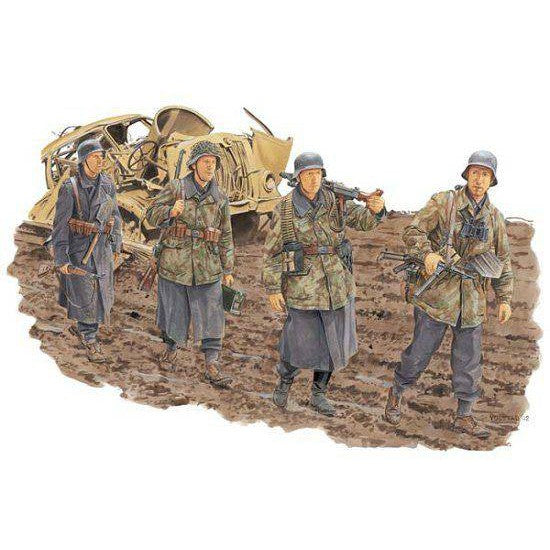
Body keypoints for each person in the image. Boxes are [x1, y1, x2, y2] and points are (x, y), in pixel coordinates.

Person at [384, 150, 513, 438]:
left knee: (469, 362)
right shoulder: (445, 202)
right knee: (419, 353)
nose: (479, 180)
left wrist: (504, 298)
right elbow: (413, 231)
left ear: (492, 180)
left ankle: (464, 416)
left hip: (472, 302)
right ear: (467, 174)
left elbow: (503, 261)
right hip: (437, 297)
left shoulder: (495, 218)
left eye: (485, 175)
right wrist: (427, 254)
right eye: (475, 173)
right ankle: (396, 393)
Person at [262, 152, 385, 416]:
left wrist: (376, 210)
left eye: (317, 173)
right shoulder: (285, 208)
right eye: (308, 174)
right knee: (297, 342)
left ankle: (319, 393)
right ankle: (284, 382)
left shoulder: (334, 201)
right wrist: (272, 288)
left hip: (336, 285)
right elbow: (272, 252)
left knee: (332, 344)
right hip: (302, 287)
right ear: (298, 178)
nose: (313, 179)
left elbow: (362, 222)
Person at [145, 140, 235, 388]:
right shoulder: (176, 187)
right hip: (176, 262)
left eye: (213, 162)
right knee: (173, 311)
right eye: (205, 161)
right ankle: (171, 349)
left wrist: (228, 268)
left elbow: (226, 234)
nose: (210, 166)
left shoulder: (220, 197)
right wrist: (170, 212)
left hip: (208, 265)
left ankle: (212, 363)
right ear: (194, 164)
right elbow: (150, 214)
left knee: (212, 314)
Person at [51, 138, 122, 363]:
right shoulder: (70, 188)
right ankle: (89, 338)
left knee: (101, 294)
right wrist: (61, 258)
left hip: (102, 249)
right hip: (80, 251)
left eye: (101, 157)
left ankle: (88, 329)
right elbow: (60, 227)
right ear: (83, 160)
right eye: (94, 157)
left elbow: (115, 217)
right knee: (86, 295)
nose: (100, 161)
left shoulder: (108, 184)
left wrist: (117, 245)